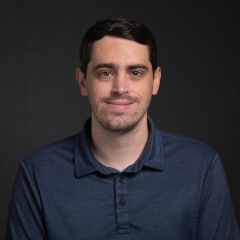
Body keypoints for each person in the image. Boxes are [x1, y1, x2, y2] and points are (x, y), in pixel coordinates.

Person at [7, 18, 240, 240]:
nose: (120, 88)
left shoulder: (202, 166)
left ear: (155, 81)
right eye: (105, 73)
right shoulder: (37, 172)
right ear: (82, 82)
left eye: (135, 73)